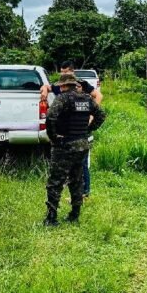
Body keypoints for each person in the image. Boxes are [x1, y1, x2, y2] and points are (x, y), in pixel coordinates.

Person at [44, 73, 106, 226]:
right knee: (77, 179)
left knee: (55, 181)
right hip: (82, 145)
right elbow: (101, 115)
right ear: (74, 84)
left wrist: (53, 137)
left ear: (63, 86)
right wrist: (87, 130)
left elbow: (50, 117)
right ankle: (75, 214)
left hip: (64, 145)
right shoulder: (86, 98)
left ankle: (51, 218)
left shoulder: (63, 98)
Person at [41, 60, 103, 197]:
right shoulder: (60, 86)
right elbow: (47, 87)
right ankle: (75, 197)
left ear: (72, 72)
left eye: (66, 72)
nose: (64, 74)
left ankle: (84, 193)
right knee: (69, 167)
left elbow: (99, 97)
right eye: (62, 72)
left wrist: (90, 118)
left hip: (80, 131)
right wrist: (44, 91)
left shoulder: (81, 85)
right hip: (66, 132)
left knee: (81, 165)